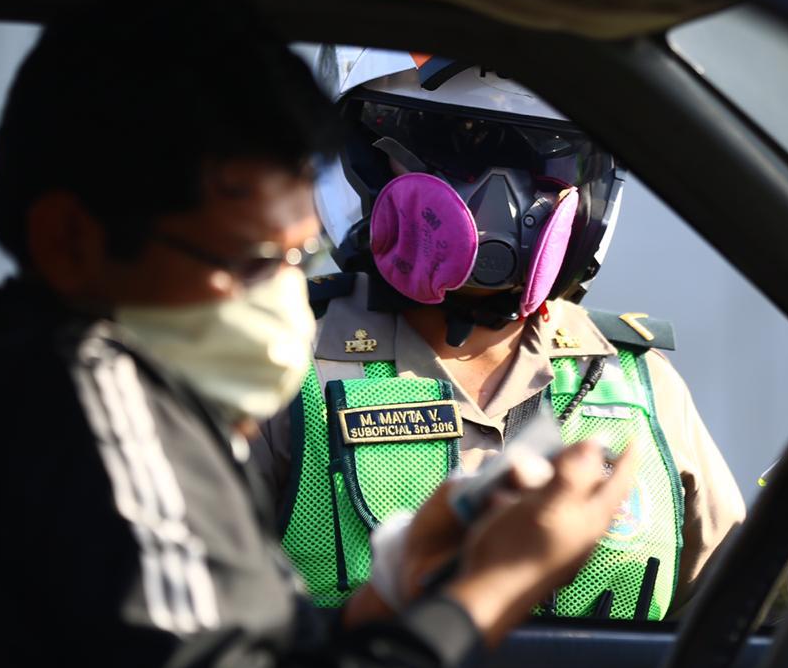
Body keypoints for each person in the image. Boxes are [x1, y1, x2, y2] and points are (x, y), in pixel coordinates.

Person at [0, 0, 635, 668]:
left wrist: (397, 580)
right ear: (70, 241)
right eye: (252, 261)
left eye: (297, 259)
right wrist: (491, 590)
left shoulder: (128, 404)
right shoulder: (94, 415)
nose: (283, 297)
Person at [254, 49, 745, 621]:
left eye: (541, 157)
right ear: (361, 157)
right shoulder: (282, 367)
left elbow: (749, 624)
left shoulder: (640, 387)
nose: (499, 200)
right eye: (450, 148)